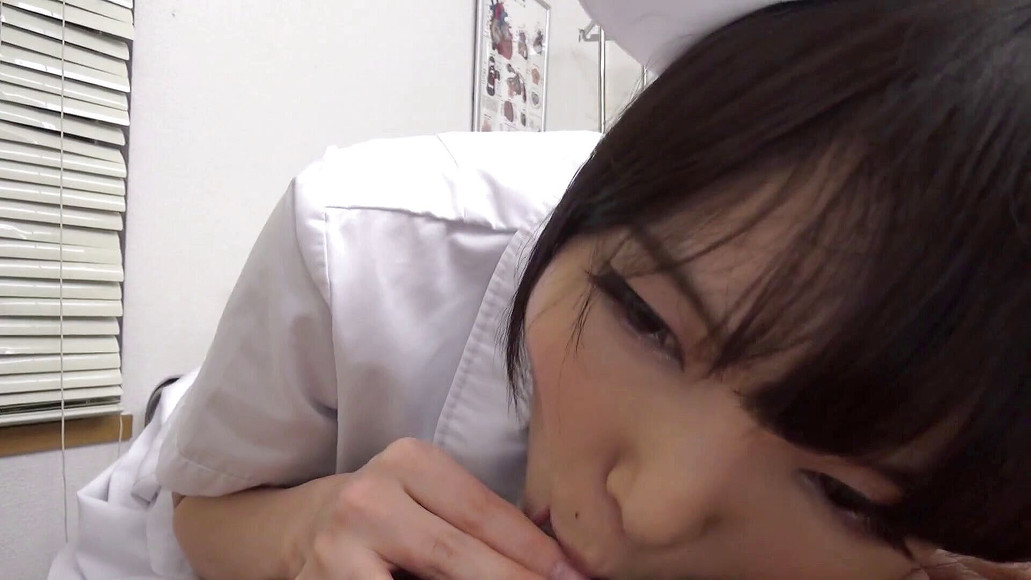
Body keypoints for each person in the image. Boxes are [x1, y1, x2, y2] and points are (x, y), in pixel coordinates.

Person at [157, 0, 1031, 578]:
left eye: (847, 497)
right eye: (647, 322)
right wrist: (303, 528)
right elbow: (198, 504)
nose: (653, 514)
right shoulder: (362, 238)